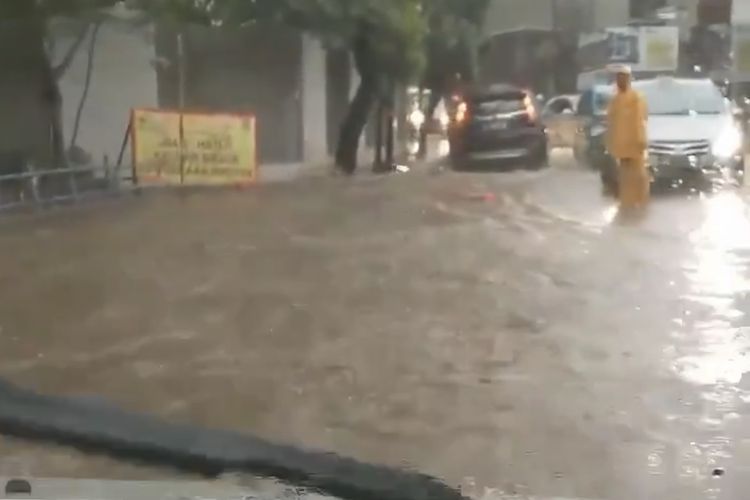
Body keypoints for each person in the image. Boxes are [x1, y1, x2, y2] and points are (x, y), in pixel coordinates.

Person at [606, 64, 650, 210]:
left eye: (624, 78)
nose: (620, 81)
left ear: (629, 79)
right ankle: (626, 206)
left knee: (638, 177)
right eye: (618, 78)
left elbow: (641, 120)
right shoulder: (615, 100)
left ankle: (640, 205)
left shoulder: (636, 98)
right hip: (620, 148)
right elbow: (611, 122)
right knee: (624, 179)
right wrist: (610, 144)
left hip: (635, 146)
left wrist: (641, 141)